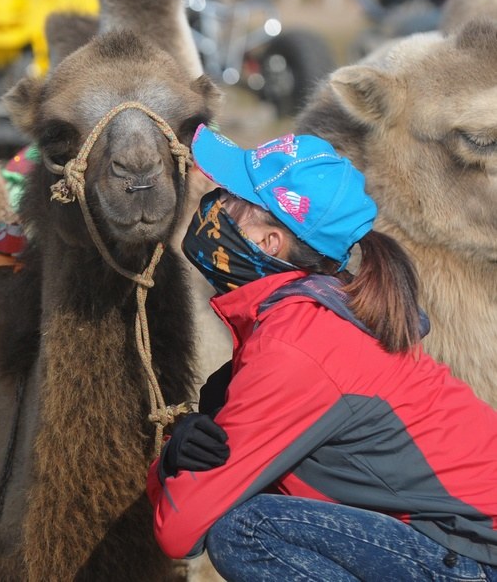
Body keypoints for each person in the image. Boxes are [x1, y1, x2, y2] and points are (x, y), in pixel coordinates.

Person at [147, 124, 497, 580]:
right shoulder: (315, 313)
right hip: (465, 542)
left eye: (231, 199)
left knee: (247, 531)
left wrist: (170, 462)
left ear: (268, 243)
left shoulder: (296, 345)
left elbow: (179, 531)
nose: (213, 204)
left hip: (477, 556)